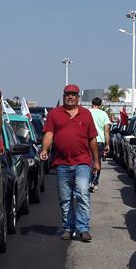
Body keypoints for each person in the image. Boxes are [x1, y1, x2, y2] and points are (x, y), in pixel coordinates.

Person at [40, 84, 99, 242]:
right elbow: (49, 134)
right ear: (64, 95)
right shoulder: (54, 114)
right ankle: (68, 227)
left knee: (82, 194)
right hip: (62, 163)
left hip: (82, 163)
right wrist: (44, 149)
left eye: (73, 94)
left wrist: (97, 161)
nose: (70, 96)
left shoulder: (86, 114)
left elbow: (92, 139)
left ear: (78, 97)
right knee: (65, 198)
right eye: (67, 94)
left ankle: (83, 228)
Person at [88, 97, 110, 192]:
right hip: (99, 141)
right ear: (100, 105)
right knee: (98, 161)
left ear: (92, 104)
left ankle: (88, 180)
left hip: (88, 141)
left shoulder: (87, 112)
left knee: (88, 161)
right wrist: (107, 144)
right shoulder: (104, 114)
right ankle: (95, 182)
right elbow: (106, 131)